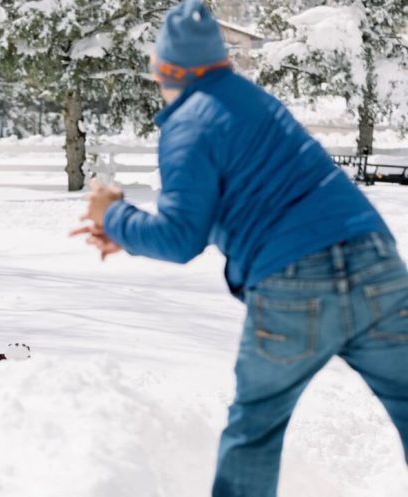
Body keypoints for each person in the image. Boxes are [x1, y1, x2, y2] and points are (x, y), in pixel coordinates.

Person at [71, 0, 408, 495]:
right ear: (221, 62)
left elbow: (181, 238)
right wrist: (126, 231)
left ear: (165, 68)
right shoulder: (257, 103)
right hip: (375, 259)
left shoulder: (187, 124)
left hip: (294, 281)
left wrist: (112, 214)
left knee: (256, 431)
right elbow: (240, 203)